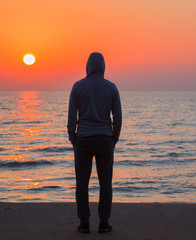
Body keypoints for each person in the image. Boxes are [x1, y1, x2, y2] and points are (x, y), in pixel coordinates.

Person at [67, 52, 122, 233]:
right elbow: (118, 117)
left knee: (82, 183)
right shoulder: (111, 88)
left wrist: (73, 137)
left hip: (83, 138)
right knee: (105, 183)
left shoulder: (78, 87)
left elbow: (72, 117)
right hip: (105, 138)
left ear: (88, 65)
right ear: (103, 66)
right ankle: (104, 222)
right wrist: (114, 138)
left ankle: (84, 223)